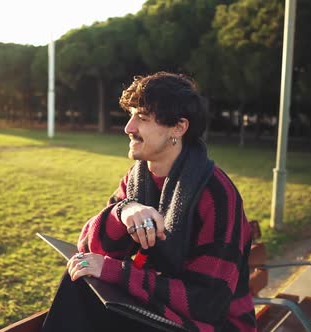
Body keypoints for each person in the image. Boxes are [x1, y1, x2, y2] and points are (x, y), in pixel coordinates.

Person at [41, 72, 256, 332]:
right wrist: (124, 210)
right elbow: (89, 247)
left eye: (142, 118)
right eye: (131, 115)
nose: (128, 127)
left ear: (178, 127)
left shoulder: (216, 194)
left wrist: (117, 272)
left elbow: (206, 303)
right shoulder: (137, 179)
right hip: (157, 309)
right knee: (80, 273)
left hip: (210, 325)